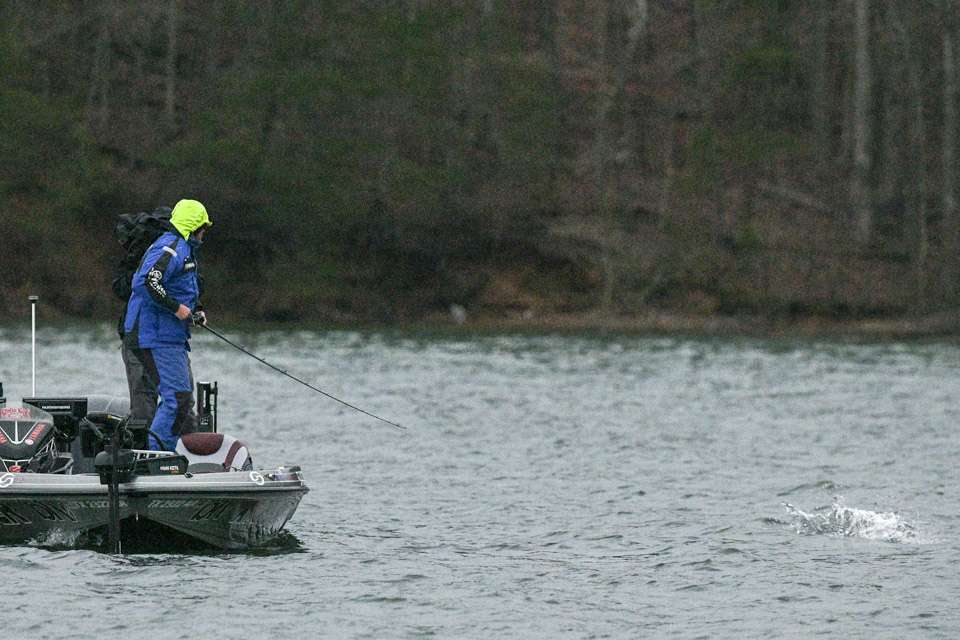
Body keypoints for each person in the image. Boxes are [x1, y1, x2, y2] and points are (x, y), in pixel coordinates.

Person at [123, 199, 212, 451]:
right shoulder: (170, 248)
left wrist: (196, 310)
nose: (204, 234)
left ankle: (166, 452)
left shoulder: (185, 249)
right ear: (194, 227)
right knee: (177, 400)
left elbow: (181, 288)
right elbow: (146, 282)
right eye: (203, 228)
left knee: (182, 400)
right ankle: (158, 455)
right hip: (153, 336)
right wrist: (176, 308)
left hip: (171, 337)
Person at [113, 206, 175, 436]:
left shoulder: (145, 253)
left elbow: (121, 288)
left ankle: (145, 445)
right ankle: (161, 446)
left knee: (144, 401)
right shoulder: (178, 250)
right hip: (164, 337)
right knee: (176, 399)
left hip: (139, 336)